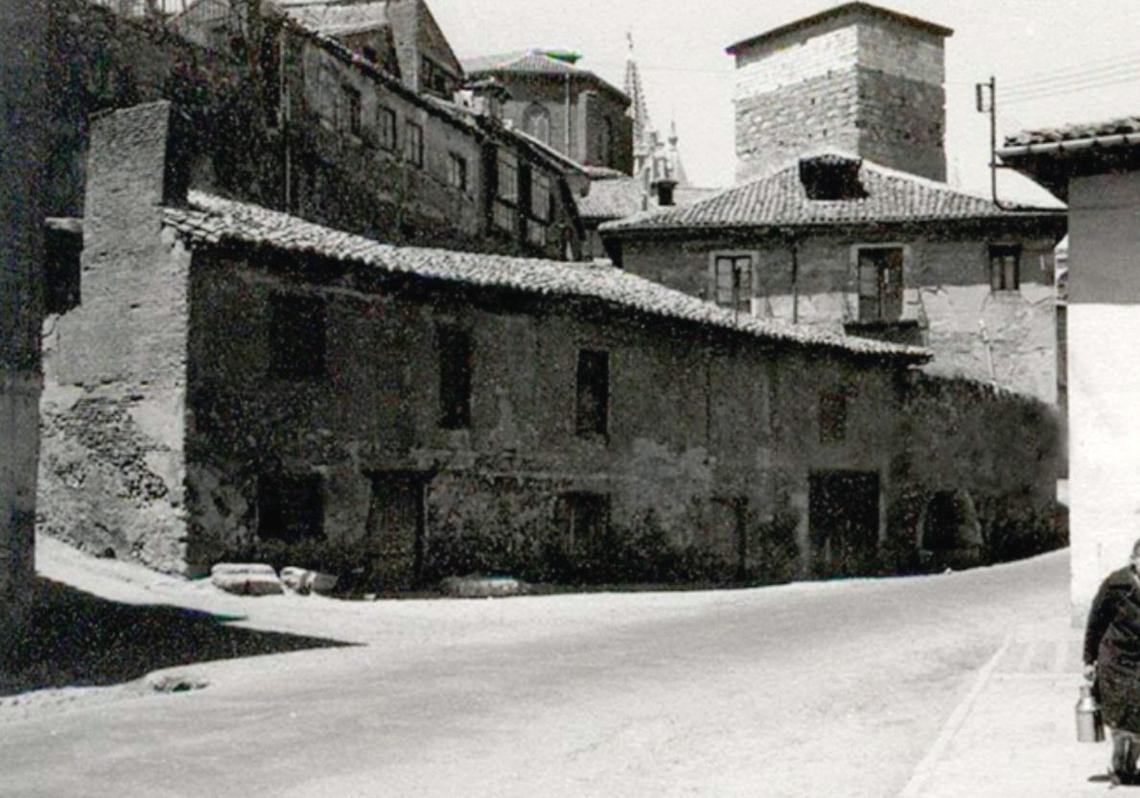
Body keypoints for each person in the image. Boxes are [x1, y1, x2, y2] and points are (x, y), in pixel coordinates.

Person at [1085, 539, 1140, 785]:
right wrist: (1088, 659)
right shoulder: (1116, 584)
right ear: (1134, 560)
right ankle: (1120, 765)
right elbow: (1095, 621)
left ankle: (1129, 765)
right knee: (1121, 713)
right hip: (1115, 657)